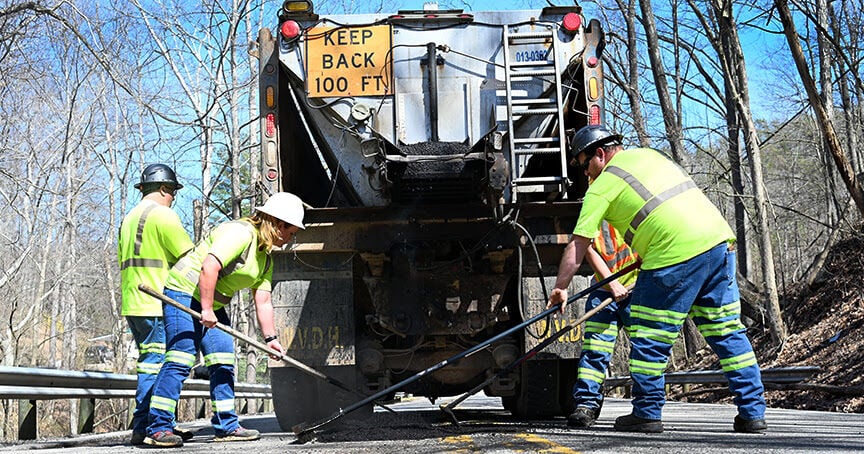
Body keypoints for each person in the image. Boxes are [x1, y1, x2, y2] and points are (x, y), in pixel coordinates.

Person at [548, 125, 767, 434]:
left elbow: (579, 244)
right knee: (727, 331)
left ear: (600, 153)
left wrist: (560, 288)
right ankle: (753, 413)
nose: (587, 174)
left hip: (674, 255)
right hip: (719, 244)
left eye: (585, 165)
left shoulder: (602, 185)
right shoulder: (651, 156)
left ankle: (647, 413)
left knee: (649, 337)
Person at [144, 192, 304, 447]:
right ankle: (158, 428)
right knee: (181, 358)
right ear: (277, 223)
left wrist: (271, 339)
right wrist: (206, 309)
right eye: (291, 232)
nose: (290, 239)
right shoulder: (240, 233)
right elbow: (209, 266)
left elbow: (263, 300)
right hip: (185, 292)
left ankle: (226, 426)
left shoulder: (265, 259)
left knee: (223, 361)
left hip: (211, 303)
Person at [118, 163, 195, 445]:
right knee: (159, 364)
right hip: (157, 301)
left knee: (148, 363)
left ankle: (144, 425)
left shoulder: (129, 218)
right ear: (163, 189)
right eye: (172, 191)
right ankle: (155, 427)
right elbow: (190, 259)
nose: (173, 197)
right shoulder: (164, 215)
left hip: (134, 302)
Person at [566, 220, 638, 428]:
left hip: (638, 289)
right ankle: (586, 405)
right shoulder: (594, 205)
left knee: (644, 353)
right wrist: (611, 283)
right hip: (603, 291)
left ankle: (645, 409)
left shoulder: (637, 202)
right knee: (595, 351)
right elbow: (587, 246)